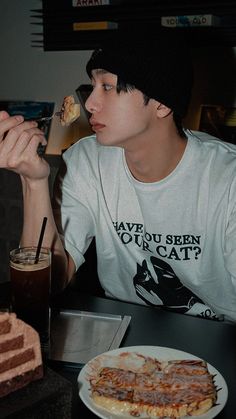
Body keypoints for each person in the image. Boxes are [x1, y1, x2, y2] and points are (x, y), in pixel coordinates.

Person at [0, 29, 236, 322]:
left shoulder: (228, 178)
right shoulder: (85, 161)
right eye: (92, 85)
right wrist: (32, 182)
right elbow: (50, 283)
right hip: (124, 340)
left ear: (162, 103)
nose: (89, 103)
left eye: (108, 87)